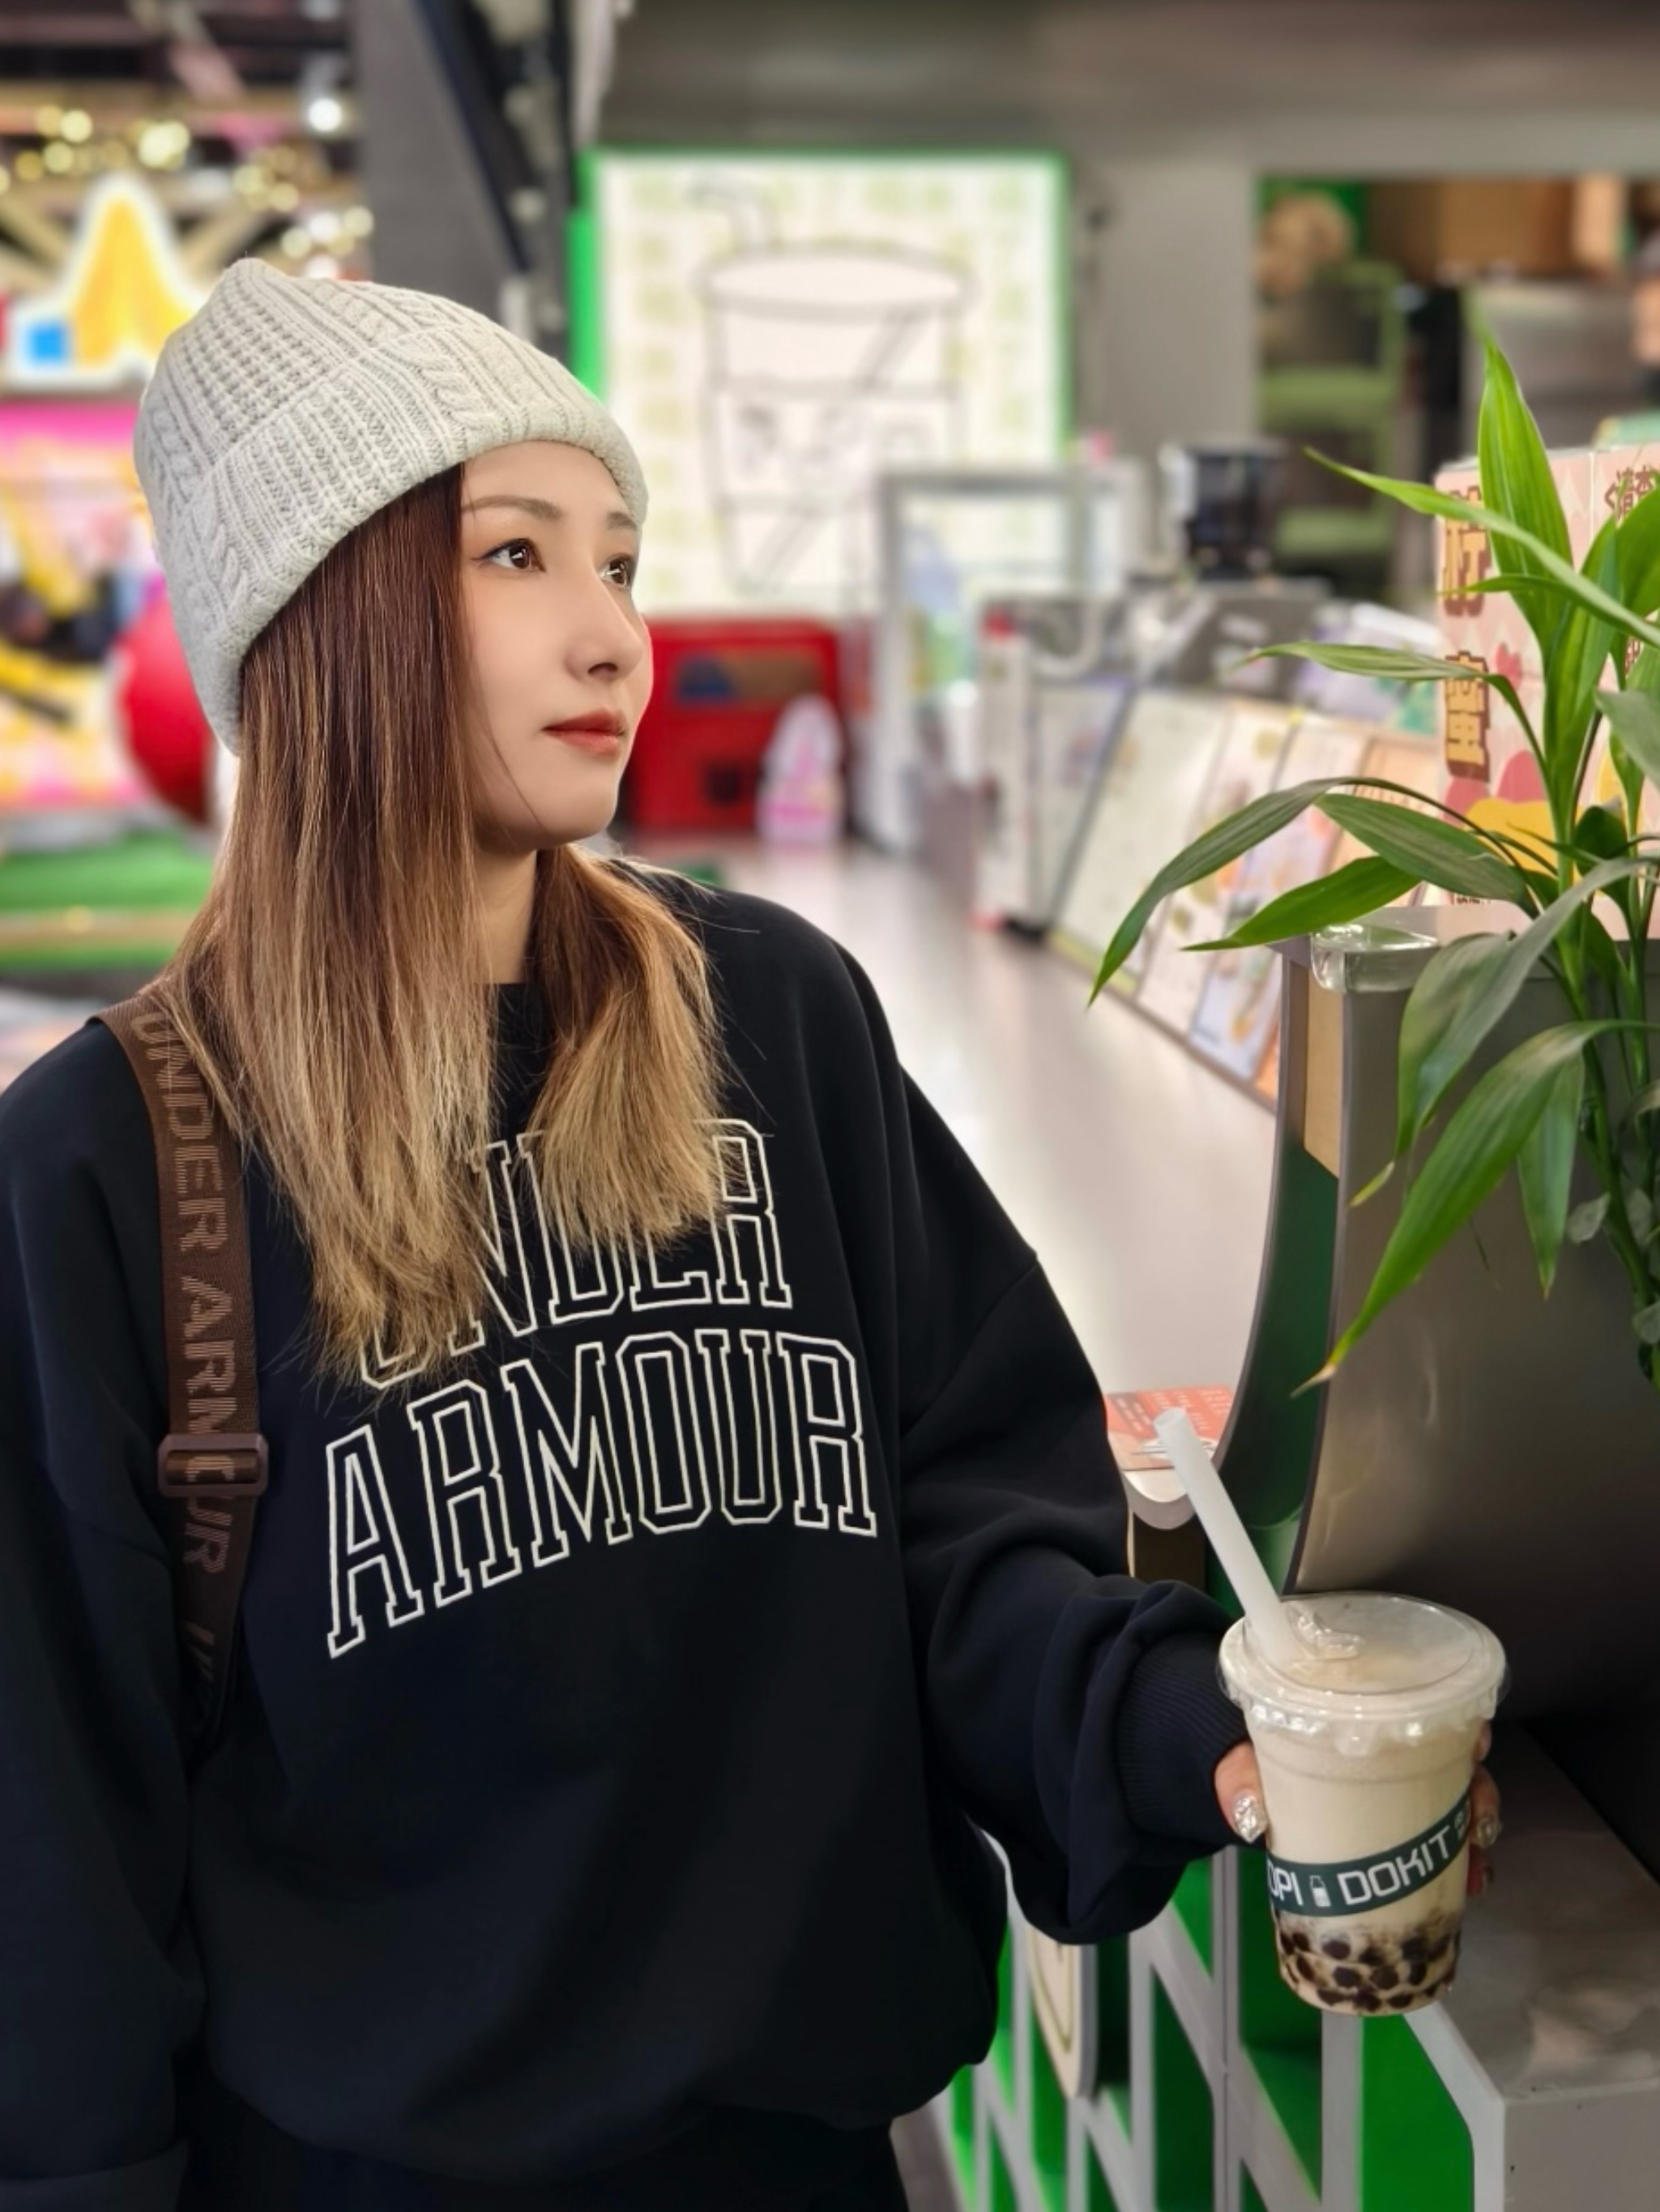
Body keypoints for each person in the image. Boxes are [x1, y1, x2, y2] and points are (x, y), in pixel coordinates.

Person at [0, 263, 1496, 2212]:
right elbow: (54, 1832)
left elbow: (961, 1517)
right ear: (320, 615)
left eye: (618, 560)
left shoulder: (771, 1017)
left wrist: (1172, 1728)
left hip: (802, 2159)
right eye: (514, 553)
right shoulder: (109, 1169)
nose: (610, 634)